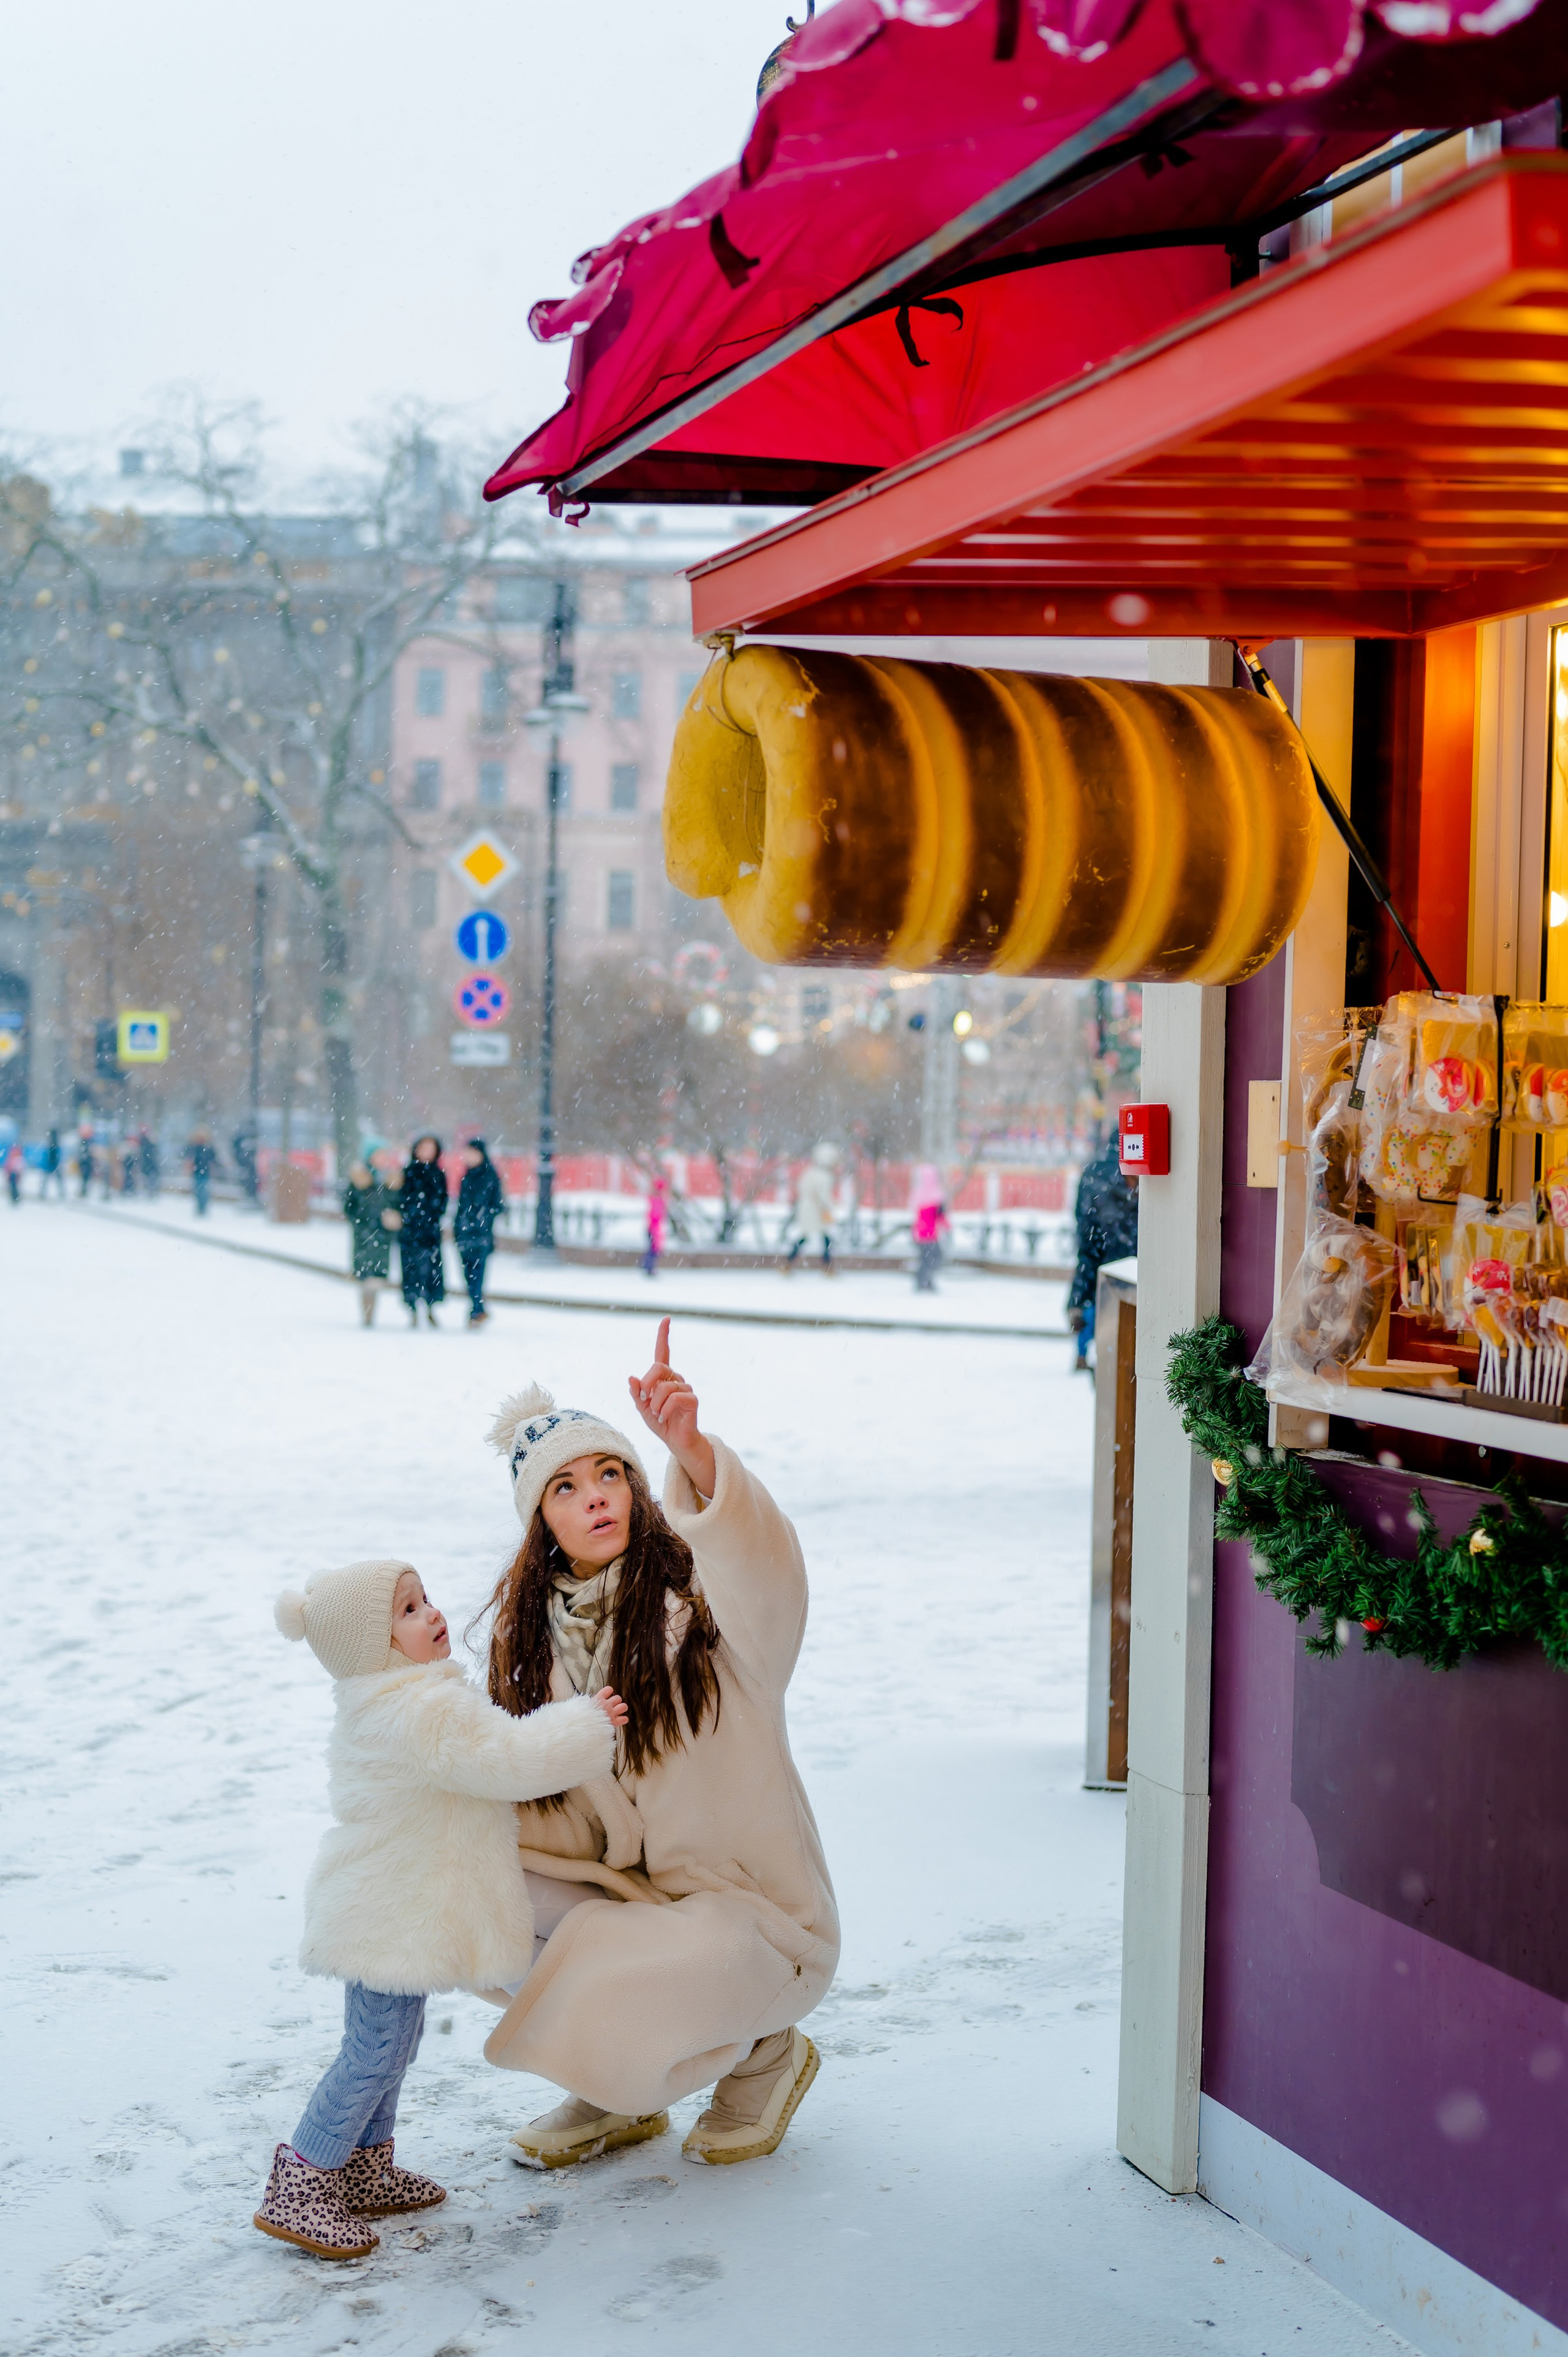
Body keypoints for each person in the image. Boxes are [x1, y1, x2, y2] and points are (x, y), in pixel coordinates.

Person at [478, 1317, 839, 2170]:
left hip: (755, 1928)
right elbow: (572, 1830)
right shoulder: (538, 1655)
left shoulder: (710, 1613)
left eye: (611, 1473)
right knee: (473, 1891)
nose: (596, 1494)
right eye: (565, 1488)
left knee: (694, 1953)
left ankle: (768, 2050)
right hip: (646, 1910)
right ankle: (622, 2085)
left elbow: (767, 1572)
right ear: (541, 1526)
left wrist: (694, 1452)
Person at [254, 1555, 624, 2259]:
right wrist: (586, 1724)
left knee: (393, 2043)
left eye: (425, 1599)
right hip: (388, 1913)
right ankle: (302, 2180)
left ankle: (362, 2167)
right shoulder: (420, 1709)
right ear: (376, 1646)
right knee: (373, 2051)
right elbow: (504, 1757)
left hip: (390, 1906)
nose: (432, 1614)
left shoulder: (390, 1699)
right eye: (408, 1609)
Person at [1067, 1132, 1140, 1373]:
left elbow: (1087, 1247)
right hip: (1130, 1280)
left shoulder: (1093, 1174)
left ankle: (1087, 1353)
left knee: (1112, 1362)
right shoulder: (1141, 1174)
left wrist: (1077, 1300)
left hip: (1107, 1280)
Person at [398, 1136, 448, 1327]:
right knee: (410, 1270)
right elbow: (401, 1199)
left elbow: (443, 1200)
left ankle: (430, 1306)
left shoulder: (438, 1174)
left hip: (431, 1232)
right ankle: (412, 1307)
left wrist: (432, 1217)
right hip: (410, 1231)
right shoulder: (408, 1172)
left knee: (432, 1272)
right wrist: (409, 1216)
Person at [342, 1160, 399, 1327]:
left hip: (382, 1238)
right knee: (365, 1276)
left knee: (376, 1276)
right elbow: (349, 1208)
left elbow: (397, 1204)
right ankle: (367, 1316)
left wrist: (394, 1219)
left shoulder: (390, 1180)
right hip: (365, 1237)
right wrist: (362, 1223)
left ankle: (370, 1315)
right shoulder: (359, 1181)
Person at [454, 1139, 504, 1326]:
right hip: (464, 1233)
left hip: (481, 1235)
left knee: (477, 1273)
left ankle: (476, 1310)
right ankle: (478, 1309)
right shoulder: (466, 1176)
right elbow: (461, 1206)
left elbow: (498, 1205)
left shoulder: (490, 1176)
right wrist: (458, 1226)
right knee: (468, 1275)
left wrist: (482, 1218)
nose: (469, 1157)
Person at [784, 1142, 838, 1273]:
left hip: (806, 1208)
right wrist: (830, 1208)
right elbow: (825, 1197)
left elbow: (801, 1188)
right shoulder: (825, 1176)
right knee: (825, 1238)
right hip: (818, 1211)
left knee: (807, 1236)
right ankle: (827, 1267)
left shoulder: (810, 1172)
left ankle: (788, 1263)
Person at [910, 1163, 949, 1292]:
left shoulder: (921, 1194)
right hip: (928, 1234)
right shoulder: (934, 1196)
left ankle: (924, 1280)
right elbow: (937, 1216)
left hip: (923, 1233)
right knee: (933, 1259)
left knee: (928, 1259)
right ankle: (924, 1281)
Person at [185, 1128, 219, 1216]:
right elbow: (189, 1159)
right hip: (196, 1173)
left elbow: (214, 1160)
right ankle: (200, 1208)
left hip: (206, 1173)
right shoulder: (193, 1147)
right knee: (198, 1192)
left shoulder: (208, 1148)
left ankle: (203, 1209)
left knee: (204, 1192)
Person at [640, 1172, 666, 1278]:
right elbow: (655, 1215)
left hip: (654, 1228)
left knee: (653, 1249)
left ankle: (647, 1266)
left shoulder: (656, 1199)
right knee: (654, 1249)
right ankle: (648, 1267)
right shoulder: (656, 1200)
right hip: (653, 1229)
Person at [232, 1129, 260, 1205]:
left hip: (247, 1167)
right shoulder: (250, 1141)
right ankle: (251, 1197)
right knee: (250, 1180)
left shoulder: (241, 1140)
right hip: (249, 1167)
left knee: (248, 1180)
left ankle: (251, 1197)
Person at [40, 1128, 64, 1199]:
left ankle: (42, 1193)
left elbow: (47, 1155)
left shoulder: (50, 1144)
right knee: (58, 1181)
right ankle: (62, 1193)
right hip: (55, 1164)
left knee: (46, 1180)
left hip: (51, 1164)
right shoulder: (56, 1143)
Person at [75, 1126, 94, 1197]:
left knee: (84, 1178)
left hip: (84, 1163)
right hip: (86, 1163)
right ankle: (84, 1191)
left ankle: (83, 1191)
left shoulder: (84, 1143)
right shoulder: (87, 1143)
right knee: (85, 1178)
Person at [4, 1140, 22, 1207]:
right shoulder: (17, 1155)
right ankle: (15, 1198)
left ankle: (15, 1199)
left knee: (13, 1187)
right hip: (14, 1174)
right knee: (14, 1187)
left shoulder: (14, 1156)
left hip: (13, 1174)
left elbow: (8, 1165)